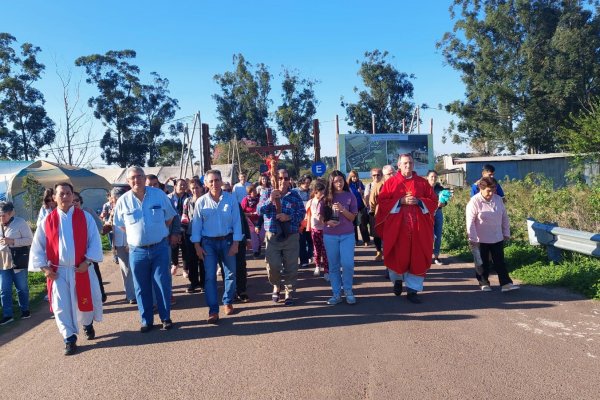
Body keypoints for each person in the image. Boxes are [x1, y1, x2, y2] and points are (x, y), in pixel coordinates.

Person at [28, 182, 104, 355]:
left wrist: (88, 261)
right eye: (61, 194)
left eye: (68, 193)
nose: (65, 197)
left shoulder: (85, 217)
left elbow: (94, 241)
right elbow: (38, 246)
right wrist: (44, 268)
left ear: (72, 195)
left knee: (84, 300)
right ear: (54, 197)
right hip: (59, 272)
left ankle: (87, 324)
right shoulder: (47, 220)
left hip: (81, 268)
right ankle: (69, 339)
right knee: (61, 306)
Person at [113, 167, 176, 333]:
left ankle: (165, 318)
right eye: (133, 178)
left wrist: (157, 232)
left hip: (159, 248)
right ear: (128, 181)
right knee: (141, 286)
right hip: (137, 251)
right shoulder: (123, 201)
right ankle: (146, 320)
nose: (136, 180)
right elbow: (120, 224)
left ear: (144, 177)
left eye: (139, 176)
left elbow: (169, 217)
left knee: (162, 283)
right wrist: (137, 237)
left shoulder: (158, 195)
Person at [376, 154, 438, 304]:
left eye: (410, 163)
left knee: (417, 258)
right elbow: (382, 201)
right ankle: (397, 280)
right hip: (398, 229)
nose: (408, 166)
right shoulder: (391, 183)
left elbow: (434, 201)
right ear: (398, 165)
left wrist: (419, 201)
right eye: (405, 163)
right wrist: (400, 201)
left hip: (418, 229)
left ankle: (412, 290)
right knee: (398, 256)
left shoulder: (422, 183)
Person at [191, 169, 243, 323]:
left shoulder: (231, 199)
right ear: (206, 183)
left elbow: (237, 222)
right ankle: (213, 310)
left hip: (227, 241)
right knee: (210, 277)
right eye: (211, 181)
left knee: (231, 274)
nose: (214, 184)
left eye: (217, 180)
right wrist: (197, 246)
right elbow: (196, 226)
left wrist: (236, 243)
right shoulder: (201, 202)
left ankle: (227, 301)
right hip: (208, 244)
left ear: (221, 181)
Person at [258, 168, 305, 306]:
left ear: (289, 179)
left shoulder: (294, 195)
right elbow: (259, 210)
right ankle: (276, 285)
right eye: (280, 178)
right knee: (273, 265)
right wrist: (270, 199)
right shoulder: (266, 193)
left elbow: (301, 213)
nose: (283, 181)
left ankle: (289, 291)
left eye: (285, 178)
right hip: (272, 236)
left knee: (291, 266)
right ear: (274, 179)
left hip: (291, 235)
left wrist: (288, 217)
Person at [466, 177, 519, 292]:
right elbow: (470, 222)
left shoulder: (498, 199)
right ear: (481, 188)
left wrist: (506, 232)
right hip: (480, 239)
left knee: (500, 261)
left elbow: (504, 217)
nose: (491, 193)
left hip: (497, 236)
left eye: (493, 190)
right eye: (488, 191)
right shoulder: (474, 202)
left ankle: (506, 283)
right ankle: (484, 283)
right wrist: (472, 238)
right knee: (481, 262)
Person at [322, 171, 358, 305]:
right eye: (336, 181)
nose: (339, 183)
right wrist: (327, 222)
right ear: (331, 182)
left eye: (341, 180)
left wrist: (343, 209)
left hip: (347, 235)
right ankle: (336, 293)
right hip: (330, 236)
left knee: (348, 264)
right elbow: (320, 218)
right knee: (334, 266)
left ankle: (348, 290)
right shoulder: (325, 198)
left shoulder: (350, 196)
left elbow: (352, 218)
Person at [0, 201, 33, 325]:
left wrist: (12, 241)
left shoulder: (20, 222)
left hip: (17, 260)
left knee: (22, 287)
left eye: (3, 215)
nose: (1, 218)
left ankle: (25, 310)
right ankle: (8, 315)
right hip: (2, 262)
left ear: (10, 213)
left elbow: (30, 240)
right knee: (4, 289)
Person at [72, 192, 107, 303]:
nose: (74, 203)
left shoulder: (87, 212)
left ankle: (100, 294)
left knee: (95, 272)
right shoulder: (67, 216)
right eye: (72, 201)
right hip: (73, 253)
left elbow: (99, 226)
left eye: (77, 200)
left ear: (81, 201)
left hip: (88, 249)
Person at [108, 189, 136, 303]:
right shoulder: (113, 210)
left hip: (129, 242)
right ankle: (130, 294)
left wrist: (129, 242)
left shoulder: (127, 207)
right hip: (119, 243)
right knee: (125, 269)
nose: (111, 200)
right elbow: (111, 226)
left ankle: (132, 294)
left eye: (113, 198)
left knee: (131, 269)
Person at [182, 178, 206, 293]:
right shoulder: (187, 201)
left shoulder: (206, 200)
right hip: (190, 233)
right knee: (191, 259)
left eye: (197, 187)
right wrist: (183, 230)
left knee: (203, 258)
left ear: (202, 187)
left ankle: (204, 283)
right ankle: (193, 282)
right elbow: (184, 216)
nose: (195, 190)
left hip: (204, 234)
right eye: (193, 188)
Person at [426, 170, 450, 265]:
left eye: (435, 177)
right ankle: (426, 256)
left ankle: (436, 257)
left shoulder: (440, 189)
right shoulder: (423, 188)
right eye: (431, 176)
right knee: (429, 236)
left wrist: (442, 204)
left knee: (438, 236)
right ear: (427, 177)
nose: (433, 178)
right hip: (426, 214)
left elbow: (445, 201)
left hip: (438, 213)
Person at [307, 180, 328, 279]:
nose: (323, 194)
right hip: (314, 229)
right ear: (315, 192)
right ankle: (317, 266)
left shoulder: (325, 202)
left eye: (324, 192)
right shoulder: (310, 202)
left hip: (324, 229)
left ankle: (326, 271)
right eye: (321, 192)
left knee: (325, 251)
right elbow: (306, 214)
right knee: (316, 249)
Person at [168, 179, 189, 276]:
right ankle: (175, 264)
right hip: (173, 227)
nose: (183, 187)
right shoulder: (168, 198)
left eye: (185, 185)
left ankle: (185, 269)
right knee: (174, 248)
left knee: (185, 249)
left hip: (186, 227)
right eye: (181, 185)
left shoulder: (189, 197)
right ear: (175, 186)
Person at [293, 174, 314, 268]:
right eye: (305, 182)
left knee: (311, 240)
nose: (306, 184)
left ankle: (310, 255)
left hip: (310, 220)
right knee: (301, 241)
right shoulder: (294, 192)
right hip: (299, 220)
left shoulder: (312, 192)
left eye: (308, 183)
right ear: (301, 182)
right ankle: (303, 260)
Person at [347, 170, 370, 246]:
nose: (355, 178)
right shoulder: (347, 184)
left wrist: (361, 191)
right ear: (350, 177)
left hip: (360, 206)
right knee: (353, 225)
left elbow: (364, 192)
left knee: (362, 223)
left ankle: (366, 240)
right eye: (353, 177)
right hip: (351, 207)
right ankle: (355, 240)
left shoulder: (359, 183)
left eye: (356, 176)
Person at [241, 184, 262, 257]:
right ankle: (255, 251)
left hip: (259, 220)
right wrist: (250, 214)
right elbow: (242, 212)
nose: (255, 193)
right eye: (253, 191)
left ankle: (259, 246)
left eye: (256, 191)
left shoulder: (259, 199)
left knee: (261, 236)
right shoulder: (245, 200)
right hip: (249, 221)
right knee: (253, 236)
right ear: (250, 192)